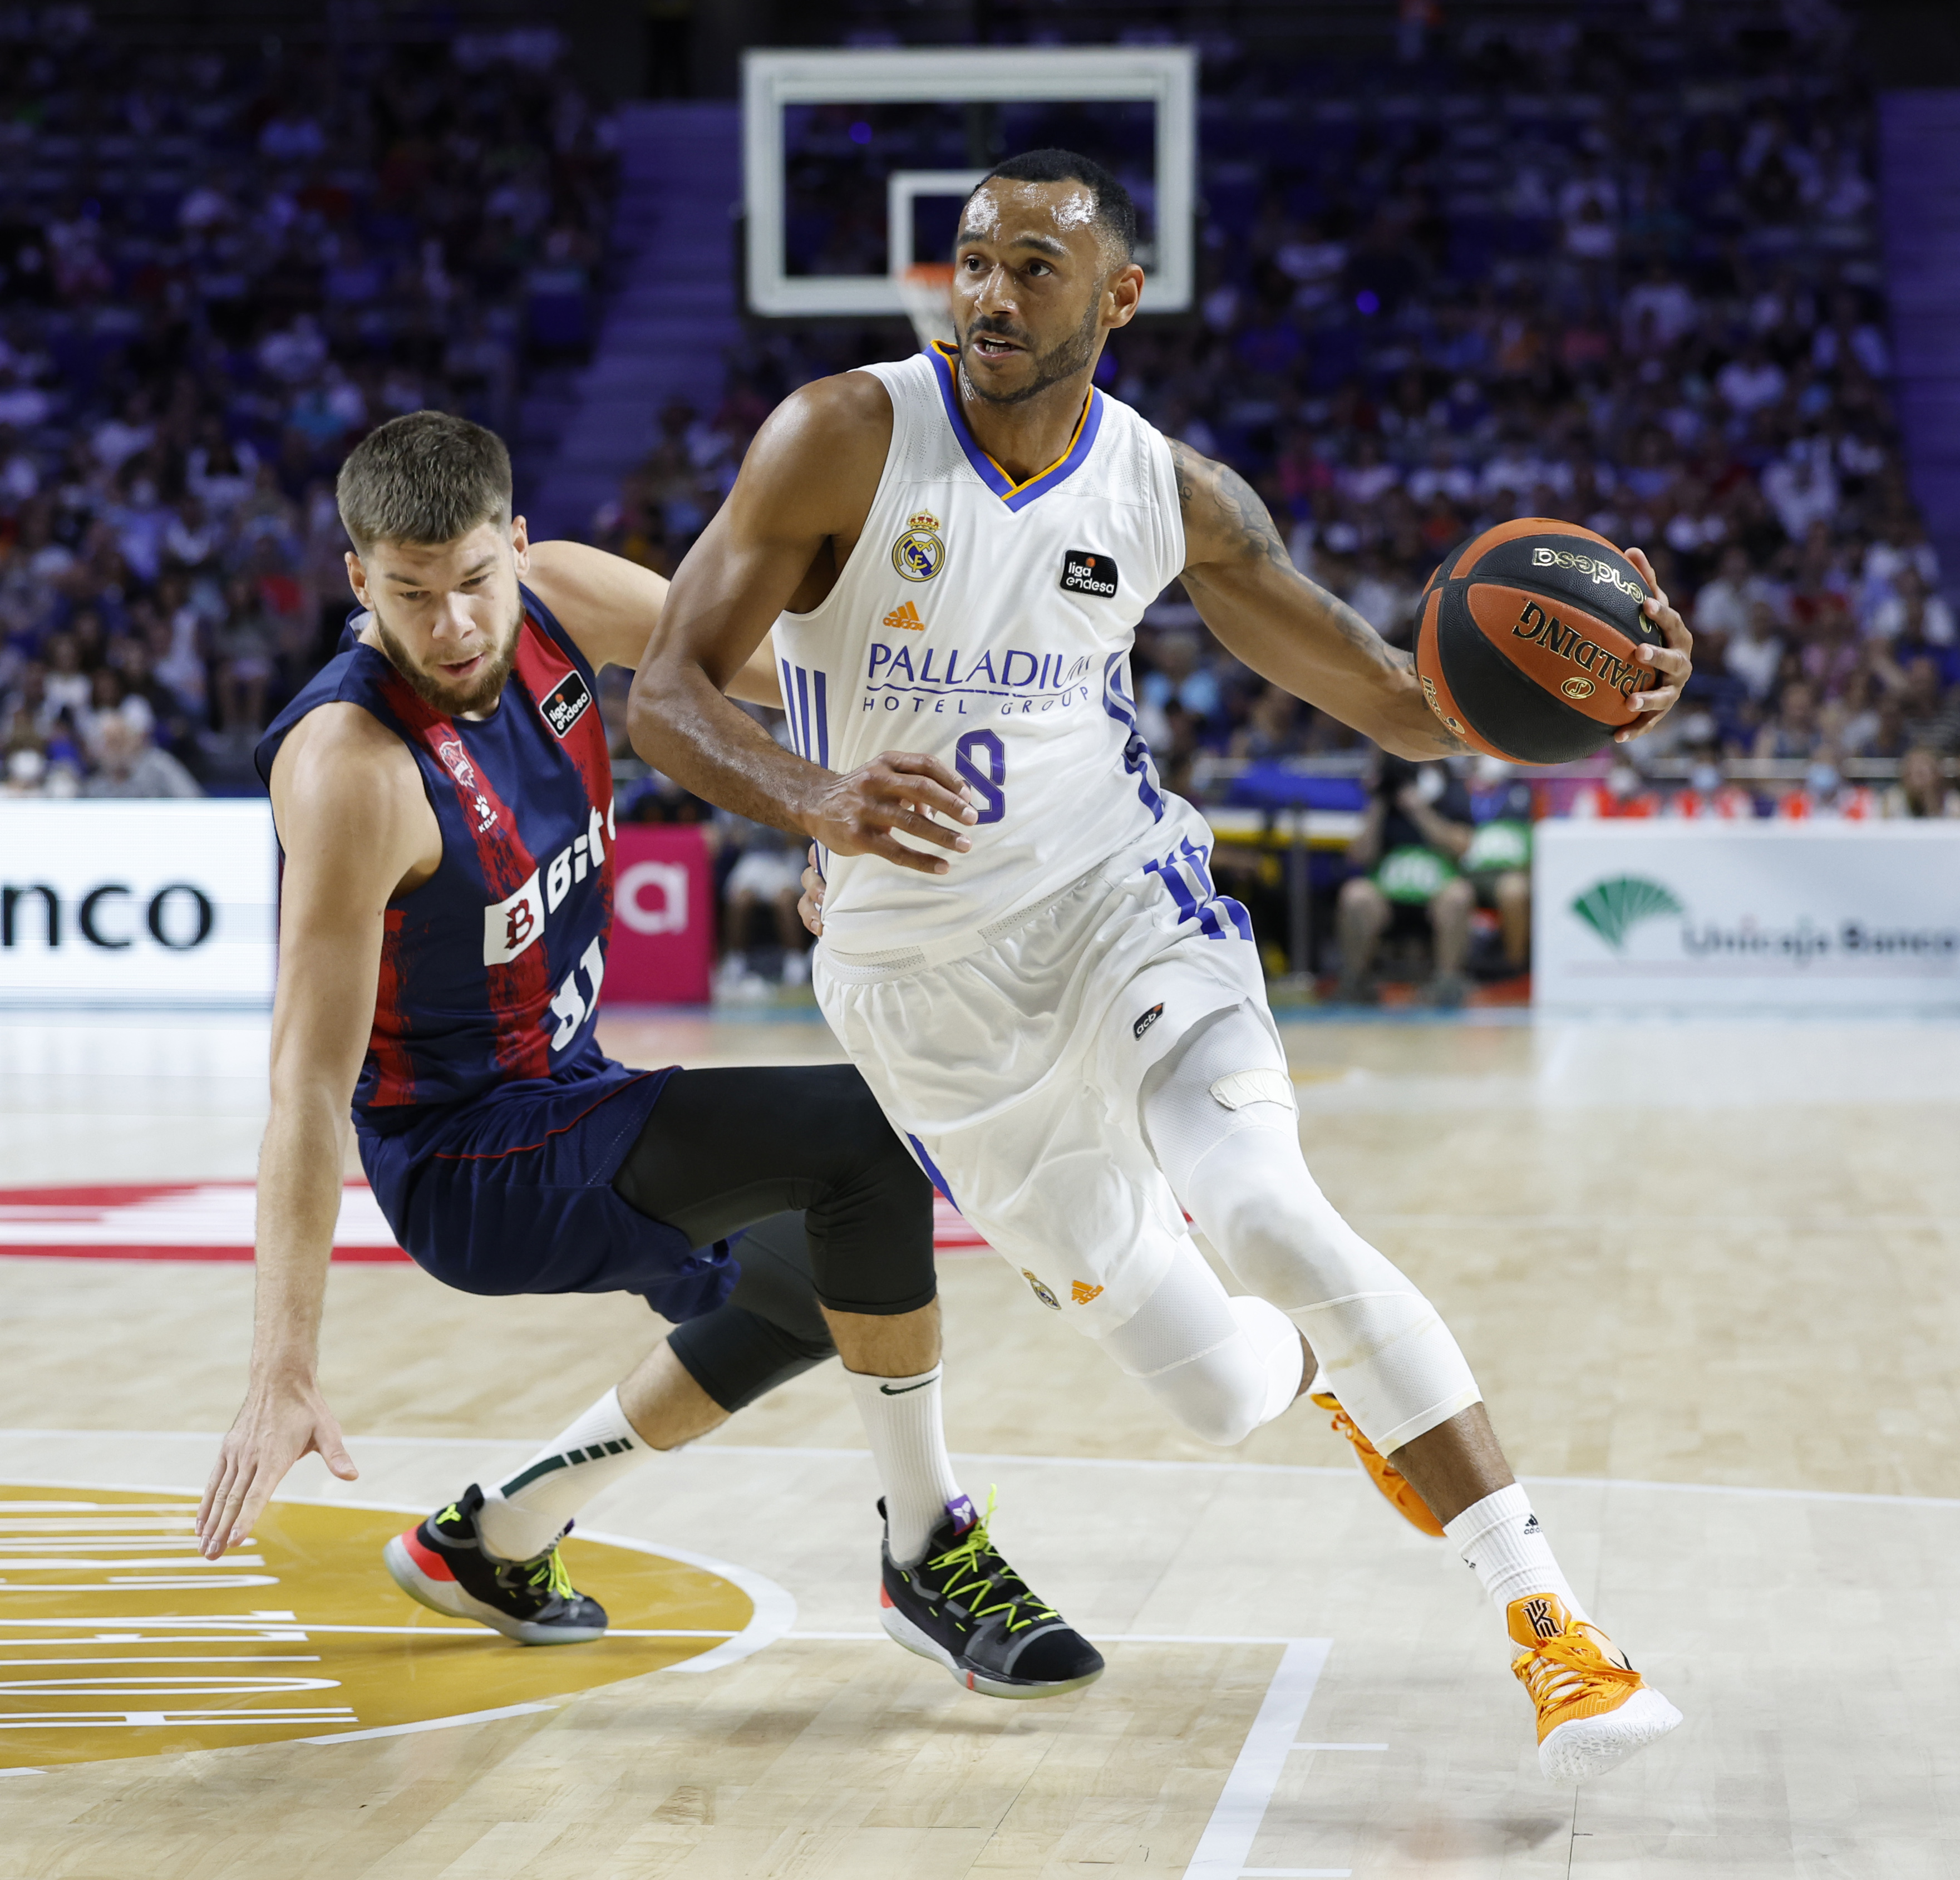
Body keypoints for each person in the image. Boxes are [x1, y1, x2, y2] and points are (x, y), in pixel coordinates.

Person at [629, 150, 1695, 1783]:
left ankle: (1555, 1627)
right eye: (974, 262)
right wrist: (817, 796)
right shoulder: (840, 434)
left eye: (1034, 266)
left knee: (1269, 1205)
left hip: (1124, 905)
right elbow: (669, 696)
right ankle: (1329, 1370)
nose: (990, 293)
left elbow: (1411, 705)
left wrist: (1613, 692)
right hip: (921, 991)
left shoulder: (1171, 496)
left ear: (1118, 296)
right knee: (1224, 1389)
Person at [194, 410, 1103, 1702]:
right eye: (408, 596)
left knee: (817, 1281)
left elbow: (780, 670)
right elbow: (300, 1085)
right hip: (468, 1159)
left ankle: (495, 1539)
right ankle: (926, 1547)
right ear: (357, 580)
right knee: (860, 1139)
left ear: (519, 545)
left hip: (578, 1090)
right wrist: (281, 1366)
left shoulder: (565, 595)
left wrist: (823, 811)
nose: (450, 624)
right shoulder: (352, 770)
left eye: (472, 584)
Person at [1336, 752, 1478, 1006]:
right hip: (1388, 893)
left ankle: (1448, 983)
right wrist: (1379, 804)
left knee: (1459, 895)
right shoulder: (1384, 798)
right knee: (1356, 895)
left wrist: (1420, 811)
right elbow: (1359, 855)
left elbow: (1462, 845)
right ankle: (1356, 982)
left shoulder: (1450, 786)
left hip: (1436, 892)